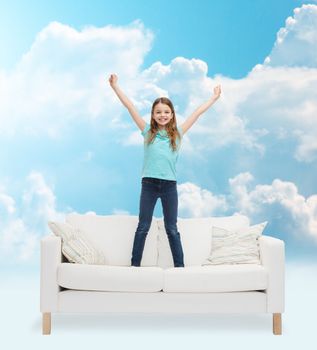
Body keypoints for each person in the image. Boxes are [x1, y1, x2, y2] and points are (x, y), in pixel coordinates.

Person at [109, 73, 221, 267]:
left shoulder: (177, 134)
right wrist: (115, 87)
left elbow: (196, 113)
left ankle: (180, 268)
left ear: (172, 115)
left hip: (169, 186)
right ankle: (134, 267)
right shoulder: (147, 132)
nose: (163, 115)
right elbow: (130, 107)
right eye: (159, 112)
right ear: (153, 115)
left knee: (172, 228)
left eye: (166, 112)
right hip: (149, 185)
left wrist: (213, 98)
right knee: (143, 226)